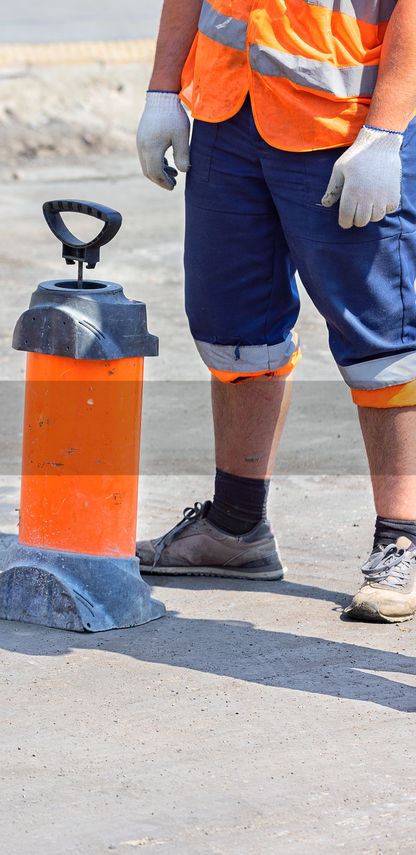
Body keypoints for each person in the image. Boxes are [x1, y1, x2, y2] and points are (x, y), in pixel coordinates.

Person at [134, 0, 416, 623]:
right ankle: (235, 528)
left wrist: (387, 130)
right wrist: (163, 90)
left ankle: (404, 540)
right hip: (229, 113)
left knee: (385, 346)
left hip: (347, 126)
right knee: (234, 330)